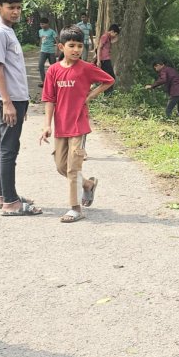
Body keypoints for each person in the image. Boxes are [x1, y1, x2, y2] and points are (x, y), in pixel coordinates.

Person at [40, 27, 113, 222]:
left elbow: (109, 80)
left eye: (80, 46)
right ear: (61, 47)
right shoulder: (53, 71)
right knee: (61, 166)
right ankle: (88, 184)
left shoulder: (86, 68)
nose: (76, 50)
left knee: (73, 168)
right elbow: (49, 99)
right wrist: (47, 125)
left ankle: (75, 208)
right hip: (61, 126)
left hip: (78, 125)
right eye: (71, 46)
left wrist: (90, 96)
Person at [0, 0, 42, 216]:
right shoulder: (0, 33)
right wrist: (7, 102)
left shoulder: (8, 31)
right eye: (11, 7)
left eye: (19, 7)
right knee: (9, 149)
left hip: (16, 99)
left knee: (5, 146)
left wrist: (21, 101)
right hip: (8, 100)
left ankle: (5, 195)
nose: (16, 11)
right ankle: (11, 203)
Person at [95, 23, 119, 93]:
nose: (115, 36)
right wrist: (98, 60)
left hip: (106, 59)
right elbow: (99, 48)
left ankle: (107, 92)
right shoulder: (105, 36)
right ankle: (107, 93)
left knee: (110, 77)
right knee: (110, 77)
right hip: (104, 60)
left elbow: (110, 43)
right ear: (112, 31)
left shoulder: (109, 37)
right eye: (115, 34)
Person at [37, 18, 57, 87]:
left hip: (51, 51)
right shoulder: (40, 31)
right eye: (40, 24)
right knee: (40, 66)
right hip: (43, 51)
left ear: (47, 24)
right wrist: (40, 48)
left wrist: (58, 50)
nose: (41, 26)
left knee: (53, 67)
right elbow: (41, 40)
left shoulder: (52, 32)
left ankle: (55, 82)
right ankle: (44, 82)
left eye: (43, 24)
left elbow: (57, 41)